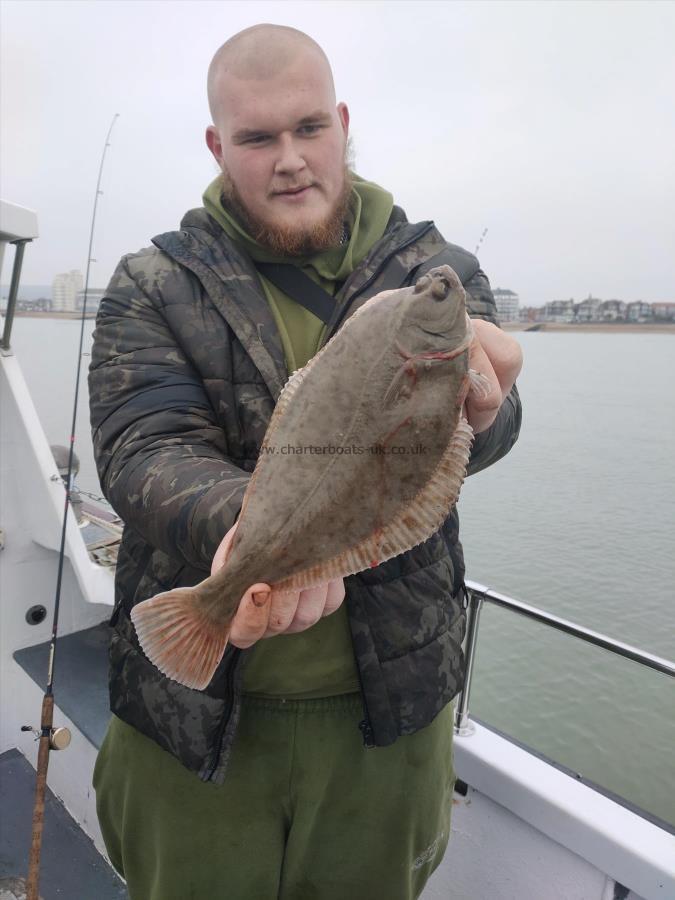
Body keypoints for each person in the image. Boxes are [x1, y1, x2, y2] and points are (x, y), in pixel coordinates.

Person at [89, 23, 523, 900]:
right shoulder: (152, 284)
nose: (289, 159)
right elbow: (144, 446)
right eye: (257, 138)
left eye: (309, 128)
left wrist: (490, 403)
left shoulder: (438, 270)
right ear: (219, 147)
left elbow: (477, 446)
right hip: (196, 721)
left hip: (388, 717)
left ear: (342, 123)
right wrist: (247, 533)